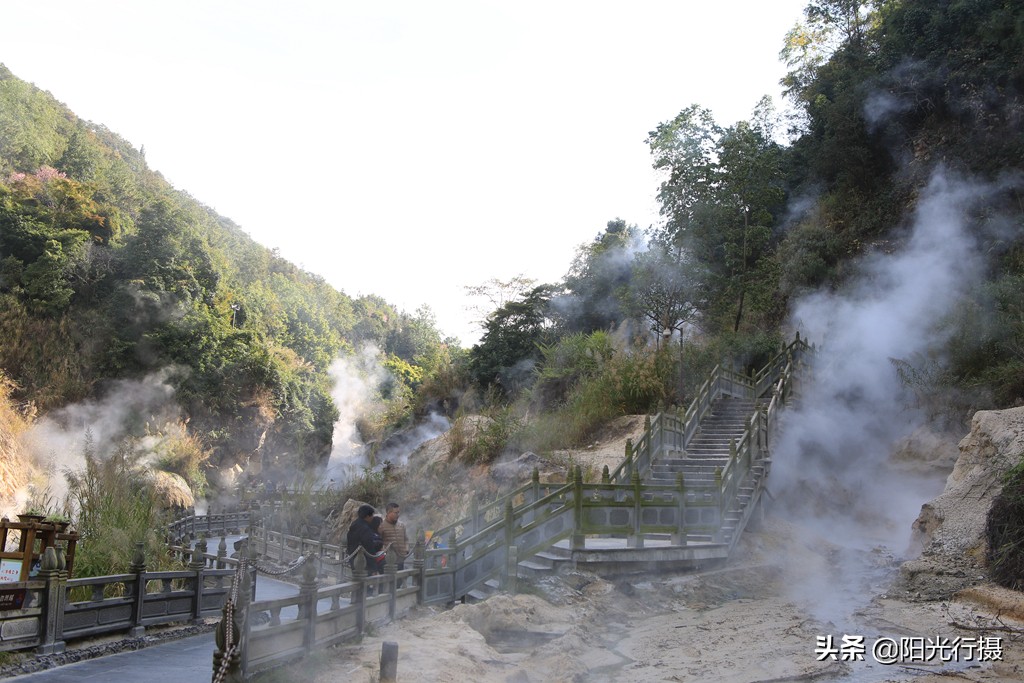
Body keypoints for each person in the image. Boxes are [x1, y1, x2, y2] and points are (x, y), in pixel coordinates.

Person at [345, 504, 381, 571]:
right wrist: (373, 568)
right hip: (364, 562)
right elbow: (369, 548)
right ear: (367, 516)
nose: (372, 517)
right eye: (372, 515)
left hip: (353, 559)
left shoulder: (354, 524)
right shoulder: (365, 529)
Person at [379, 502, 409, 571]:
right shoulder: (381, 526)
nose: (398, 515)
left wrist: (406, 549)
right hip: (388, 561)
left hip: (401, 560)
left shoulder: (401, 525)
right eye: (396, 513)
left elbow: (406, 539)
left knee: (401, 576)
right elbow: (379, 542)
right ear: (388, 513)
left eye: (398, 512)